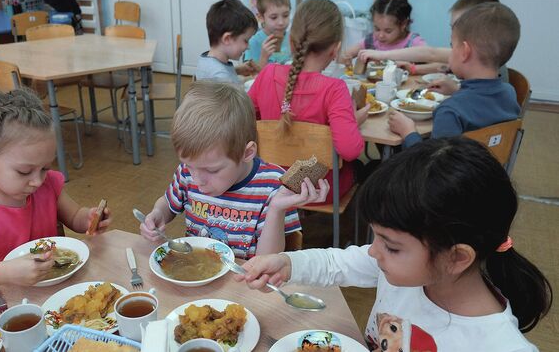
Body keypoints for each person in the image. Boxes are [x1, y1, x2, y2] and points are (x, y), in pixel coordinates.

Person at [235, 137, 552, 351]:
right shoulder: (405, 272)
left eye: (392, 245)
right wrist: (288, 264)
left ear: (456, 258)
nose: (373, 252)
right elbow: (337, 263)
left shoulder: (499, 345)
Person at [0, 89, 113, 300]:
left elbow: (75, 216)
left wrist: (89, 218)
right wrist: (5, 272)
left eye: (45, 168)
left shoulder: (47, 184)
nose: (38, 180)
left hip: (56, 295)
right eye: (24, 171)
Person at [139, 81, 328, 259]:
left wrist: (277, 209)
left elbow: (268, 260)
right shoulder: (189, 171)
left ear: (247, 153)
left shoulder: (274, 186)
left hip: (245, 282)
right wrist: (157, 214)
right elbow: (168, 204)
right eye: (189, 165)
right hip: (197, 271)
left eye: (212, 170)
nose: (197, 179)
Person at [248, 0, 367, 204]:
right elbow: (350, 151)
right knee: (366, 167)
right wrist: (355, 120)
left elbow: (245, 121)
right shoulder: (335, 89)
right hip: (319, 190)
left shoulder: (268, 73)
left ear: (292, 43)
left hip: (271, 185)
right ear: (336, 48)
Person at [389, 2, 520, 148]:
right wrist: (457, 91)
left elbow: (433, 168)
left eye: (452, 45)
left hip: (457, 170)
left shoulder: (450, 111)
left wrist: (409, 133)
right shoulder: (510, 92)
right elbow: (482, 106)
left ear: (465, 52)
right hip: (491, 167)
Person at [357, 0, 508, 81]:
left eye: (455, 27)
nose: (452, 34)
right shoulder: (487, 55)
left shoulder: (476, 55)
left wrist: (381, 54)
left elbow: (430, 53)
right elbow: (444, 66)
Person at [340, 0, 426, 64]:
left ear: (403, 24)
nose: (380, 35)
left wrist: (413, 69)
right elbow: (346, 55)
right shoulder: (371, 41)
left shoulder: (414, 43)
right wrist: (344, 58)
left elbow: (438, 65)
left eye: (388, 31)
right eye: (377, 29)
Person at [195, 0, 260, 84]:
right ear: (227, 39)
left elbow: (217, 73)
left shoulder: (204, 60)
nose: (248, 47)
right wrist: (258, 79)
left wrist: (237, 70)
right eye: (246, 40)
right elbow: (238, 96)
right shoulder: (222, 78)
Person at [243, 0, 292, 68]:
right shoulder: (253, 43)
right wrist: (264, 58)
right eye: (274, 17)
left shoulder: (293, 38)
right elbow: (251, 77)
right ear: (261, 17)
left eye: (285, 15)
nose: (281, 22)